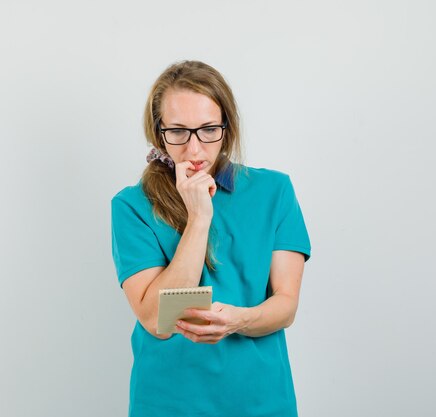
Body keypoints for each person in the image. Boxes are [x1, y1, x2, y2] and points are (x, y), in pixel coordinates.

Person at [110, 60, 311, 417]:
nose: (194, 149)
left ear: (226, 128)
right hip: (168, 402)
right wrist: (199, 217)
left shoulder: (274, 191)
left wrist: (239, 320)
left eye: (207, 130)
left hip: (261, 401)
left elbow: (286, 304)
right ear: (159, 132)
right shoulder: (131, 205)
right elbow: (157, 320)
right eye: (179, 132)